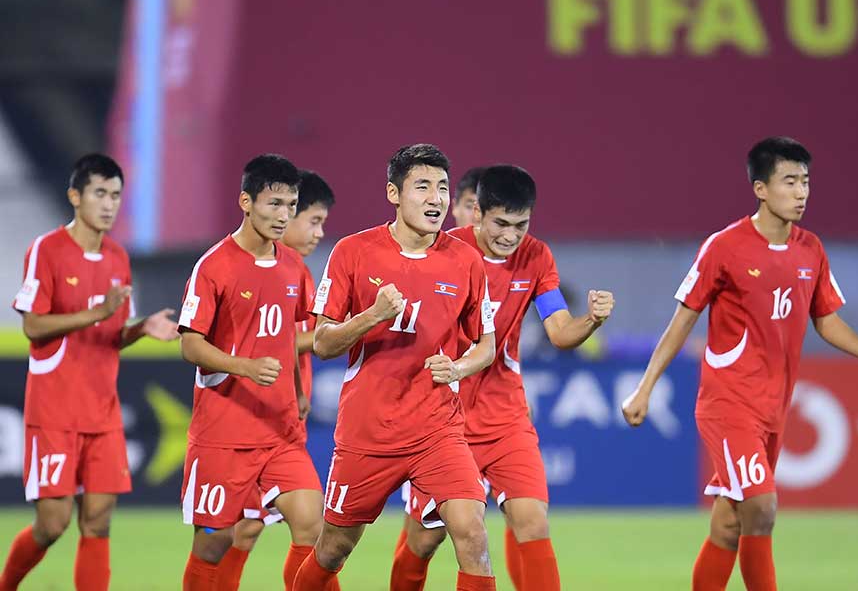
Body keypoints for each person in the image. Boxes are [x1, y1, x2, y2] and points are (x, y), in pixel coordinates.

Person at [621, 137, 858, 591]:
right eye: (790, 181)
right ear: (761, 189)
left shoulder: (811, 250)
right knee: (763, 508)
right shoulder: (724, 247)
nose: (802, 192)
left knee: (730, 524)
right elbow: (682, 321)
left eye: (806, 181)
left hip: (774, 408)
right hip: (729, 403)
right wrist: (645, 387)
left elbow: (825, 321)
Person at [390, 165, 615, 591]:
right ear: (476, 213)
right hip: (444, 420)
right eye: (502, 224)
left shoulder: (537, 256)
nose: (512, 236)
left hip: (505, 415)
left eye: (522, 224)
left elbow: (559, 330)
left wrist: (592, 321)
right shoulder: (444, 251)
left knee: (532, 521)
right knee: (424, 539)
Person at [292, 144, 498, 591]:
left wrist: (459, 369)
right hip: (369, 430)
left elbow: (487, 345)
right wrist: (372, 316)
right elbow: (323, 343)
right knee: (332, 550)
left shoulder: (466, 260)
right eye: (422, 186)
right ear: (393, 193)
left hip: (437, 428)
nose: (436, 199)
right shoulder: (353, 252)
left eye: (443, 188)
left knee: (472, 531)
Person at [1, 154, 179, 591]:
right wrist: (94, 312)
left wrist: (141, 328)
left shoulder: (118, 257)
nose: (109, 204)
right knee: (53, 523)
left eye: (116, 195)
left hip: (103, 413)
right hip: (55, 412)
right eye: (100, 193)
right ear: (75, 196)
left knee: (97, 523)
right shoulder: (47, 250)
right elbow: (33, 325)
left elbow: (112, 335)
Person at [178, 154, 335, 590]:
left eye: (291, 205)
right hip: (224, 433)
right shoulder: (214, 265)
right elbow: (190, 344)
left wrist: (299, 387)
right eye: (274, 204)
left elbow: (292, 336)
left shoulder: (293, 267)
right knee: (214, 542)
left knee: (313, 526)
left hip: (280, 431)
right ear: (246, 202)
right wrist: (242, 366)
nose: (284, 216)